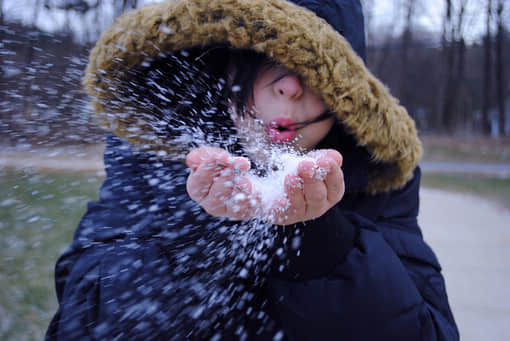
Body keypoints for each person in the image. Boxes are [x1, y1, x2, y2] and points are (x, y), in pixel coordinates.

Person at [46, 0, 459, 340]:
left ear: (345, 94)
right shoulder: (152, 158)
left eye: (319, 68)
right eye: (267, 53)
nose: (291, 86)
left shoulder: (374, 178)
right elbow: (83, 317)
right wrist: (200, 230)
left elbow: (425, 330)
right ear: (226, 61)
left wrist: (321, 241)